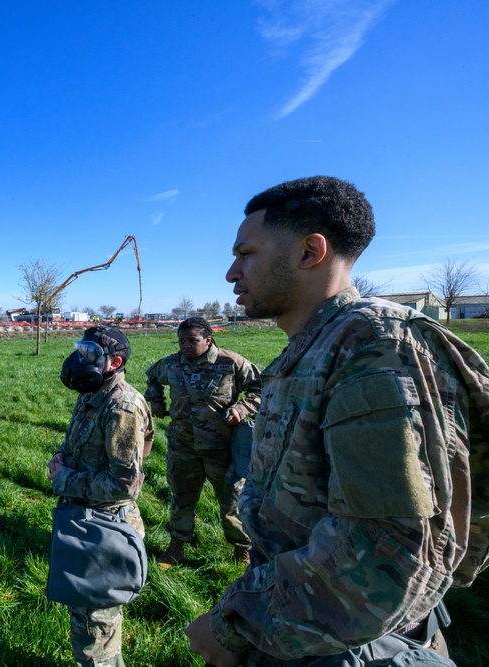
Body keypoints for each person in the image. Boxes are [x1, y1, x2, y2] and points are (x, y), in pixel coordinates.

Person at [186, 176, 489, 667]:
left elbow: (385, 554)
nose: (231, 273)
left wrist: (235, 624)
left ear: (310, 252)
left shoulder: (374, 347)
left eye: (246, 253)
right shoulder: (321, 342)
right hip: (313, 624)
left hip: (344, 635)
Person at [48, 326, 154, 667]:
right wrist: (62, 456)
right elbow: (84, 444)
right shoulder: (92, 393)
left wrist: (66, 478)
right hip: (84, 518)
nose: (80, 359)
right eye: (80, 349)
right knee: (86, 620)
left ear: (115, 362)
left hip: (106, 525)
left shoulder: (122, 405)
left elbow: (125, 484)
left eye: (90, 353)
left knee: (96, 630)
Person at [145, 316, 261, 568]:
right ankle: (176, 549)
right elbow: (152, 377)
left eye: (192, 340)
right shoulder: (172, 364)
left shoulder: (230, 362)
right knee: (181, 498)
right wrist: (156, 401)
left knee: (231, 502)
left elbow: (260, 388)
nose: (185, 345)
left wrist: (242, 408)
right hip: (182, 445)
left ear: (208, 340)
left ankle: (243, 550)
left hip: (222, 448)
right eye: (181, 340)